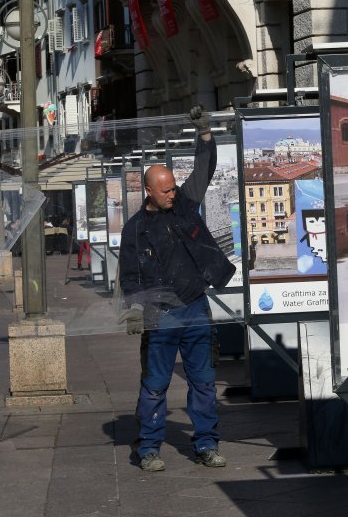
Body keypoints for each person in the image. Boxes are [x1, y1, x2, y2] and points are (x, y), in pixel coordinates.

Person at [118, 105, 236, 472]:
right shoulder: (135, 230)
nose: (172, 193)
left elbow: (204, 169)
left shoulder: (185, 206)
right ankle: (149, 448)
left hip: (195, 306)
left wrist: (204, 134)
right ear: (149, 193)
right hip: (161, 314)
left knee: (203, 382)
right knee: (155, 385)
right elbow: (130, 275)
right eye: (165, 190)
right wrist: (137, 310)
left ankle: (206, 445)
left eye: (173, 187)